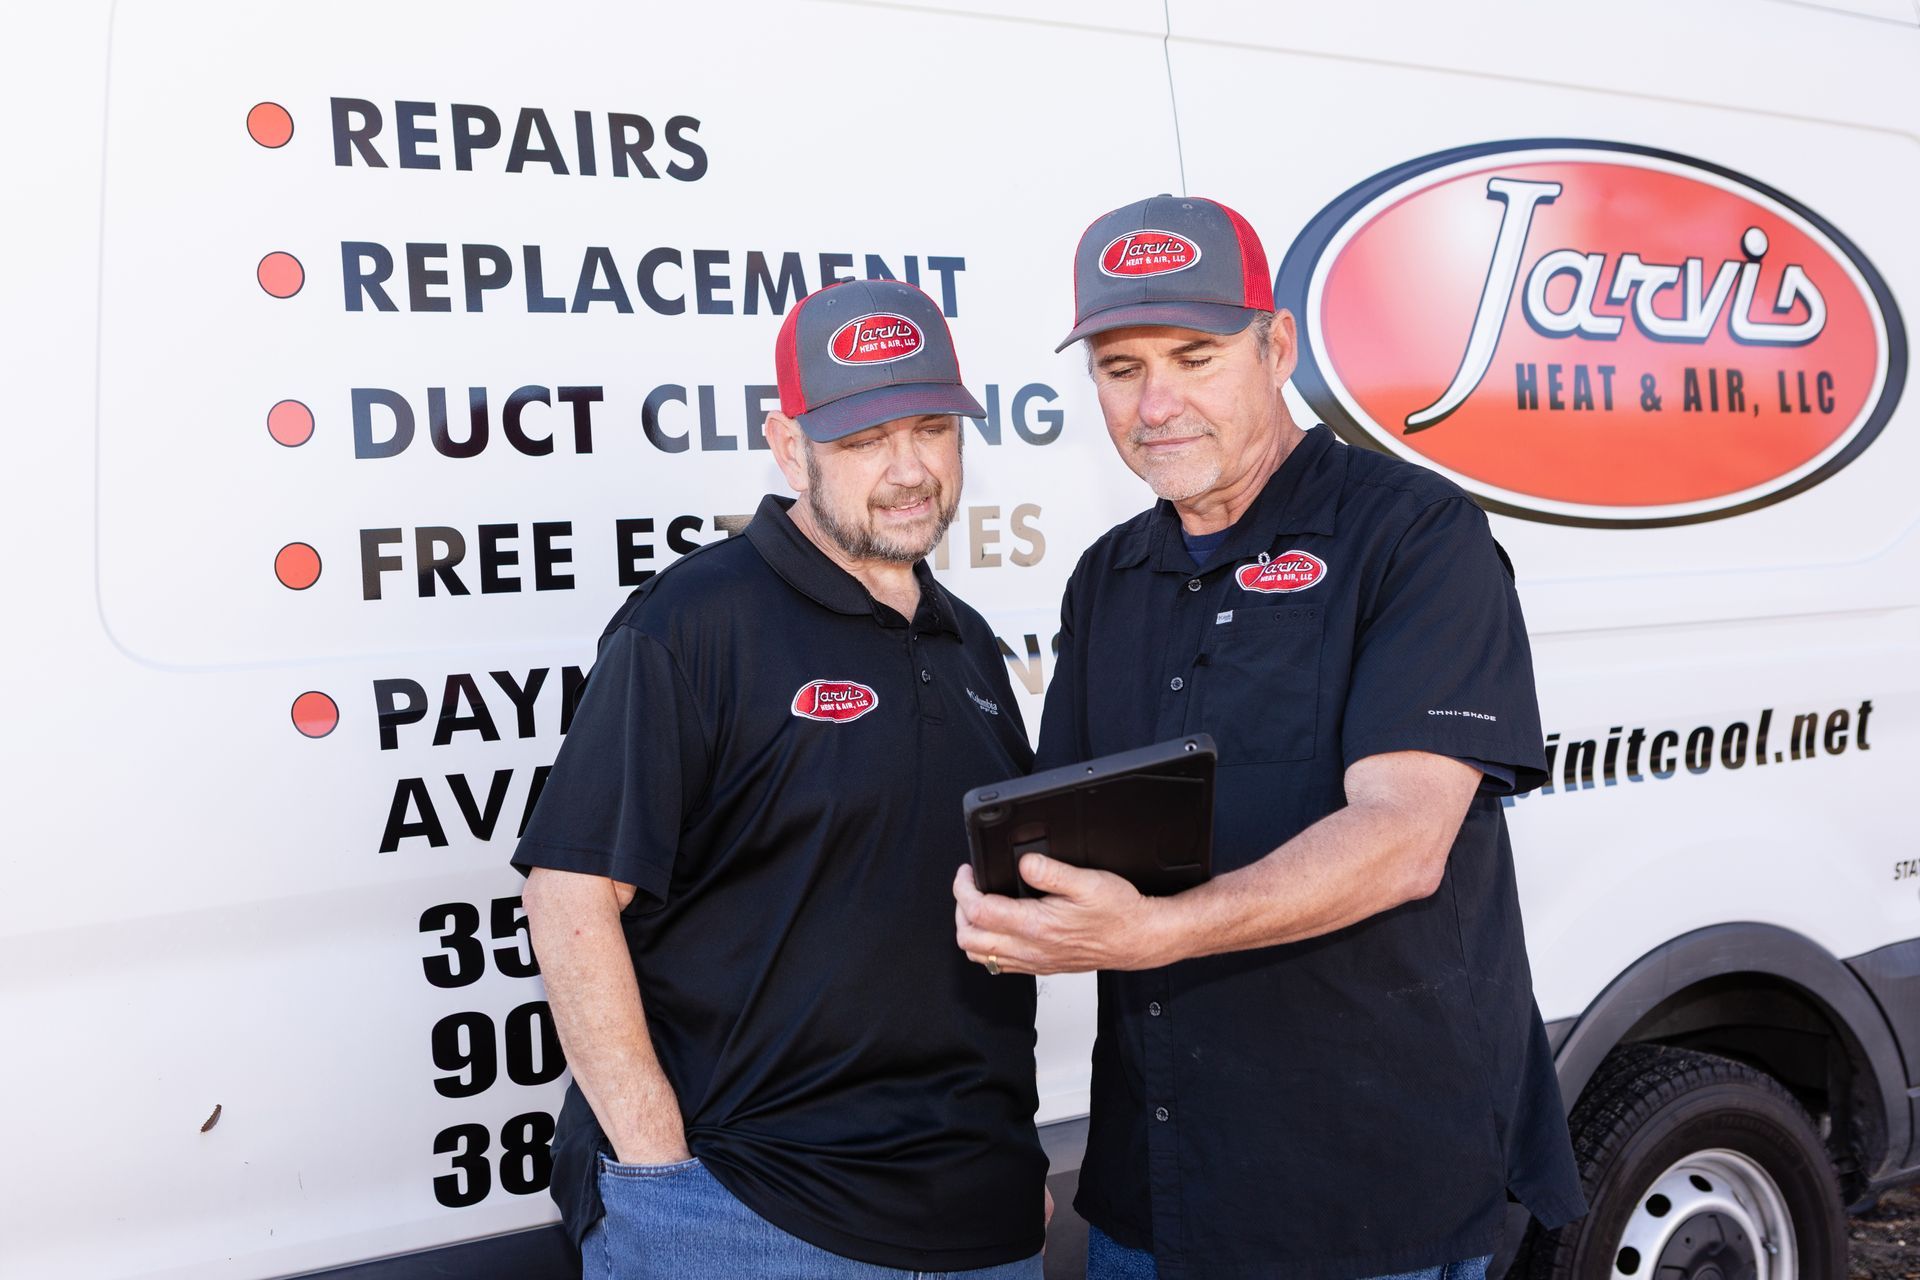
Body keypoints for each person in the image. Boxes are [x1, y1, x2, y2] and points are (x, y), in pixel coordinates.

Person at [953, 195, 1586, 1280]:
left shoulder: (1414, 534)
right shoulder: (1109, 577)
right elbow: (1064, 831)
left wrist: (1159, 932)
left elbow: (1403, 835)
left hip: (1359, 1199)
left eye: (1195, 356)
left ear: (1276, 346)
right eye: (1120, 367)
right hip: (1150, 1197)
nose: (1157, 402)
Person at [517, 278, 1047, 1280]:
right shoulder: (697, 618)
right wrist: (657, 1169)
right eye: (861, 439)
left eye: (931, 427)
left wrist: (1005, 1153)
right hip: (748, 1217)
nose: (907, 469)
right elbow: (569, 892)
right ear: (788, 442)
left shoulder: (968, 643)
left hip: (982, 1221)